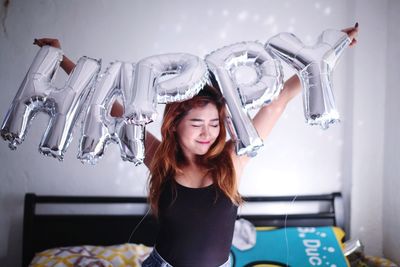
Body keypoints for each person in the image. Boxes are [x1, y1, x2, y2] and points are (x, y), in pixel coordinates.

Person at [34, 24, 358, 267]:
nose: (208, 133)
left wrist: (329, 53)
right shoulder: (160, 159)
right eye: (197, 123)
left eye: (214, 123)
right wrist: (63, 59)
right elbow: (106, 103)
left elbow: (278, 101)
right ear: (175, 125)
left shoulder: (232, 159)